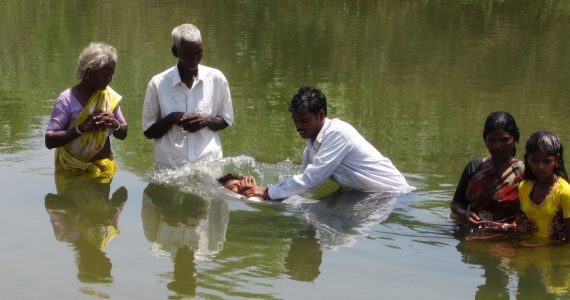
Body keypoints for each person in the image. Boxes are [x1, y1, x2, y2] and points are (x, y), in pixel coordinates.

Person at [243, 86, 413, 201]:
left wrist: (265, 191)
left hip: (393, 196)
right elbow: (303, 184)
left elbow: (310, 180)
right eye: (295, 121)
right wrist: (265, 197)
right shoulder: (312, 144)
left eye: (304, 120)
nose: (298, 127)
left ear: (321, 115)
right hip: (365, 195)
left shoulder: (337, 133)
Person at [142, 23, 234, 169]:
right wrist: (173, 118)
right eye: (188, 54)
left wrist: (206, 120)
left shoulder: (217, 79)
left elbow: (226, 120)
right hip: (170, 166)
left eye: (199, 52)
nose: (195, 59)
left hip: (209, 163)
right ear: (175, 52)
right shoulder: (157, 83)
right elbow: (148, 131)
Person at [45, 42, 127, 182]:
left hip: (103, 172)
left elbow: (123, 133)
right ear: (89, 71)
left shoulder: (109, 97)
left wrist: (113, 124)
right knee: (74, 205)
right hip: (72, 174)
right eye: (105, 74)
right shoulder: (66, 99)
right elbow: (49, 140)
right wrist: (82, 128)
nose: (109, 80)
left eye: (111, 75)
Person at [450, 112, 524, 227]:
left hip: (508, 234)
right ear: (485, 140)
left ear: (515, 139)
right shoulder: (474, 167)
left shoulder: (522, 171)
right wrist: (466, 214)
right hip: (473, 229)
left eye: (504, 140)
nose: (497, 146)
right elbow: (456, 203)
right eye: (492, 140)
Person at [516, 131, 570, 243]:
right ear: (528, 160)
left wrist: (541, 247)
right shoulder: (524, 187)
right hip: (528, 252)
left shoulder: (565, 192)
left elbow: (568, 242)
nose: (540, 167)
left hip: (554, 256)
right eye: (535, 161)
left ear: (557, 160)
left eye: (547, 161)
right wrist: (520, 226)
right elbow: (522, 221)